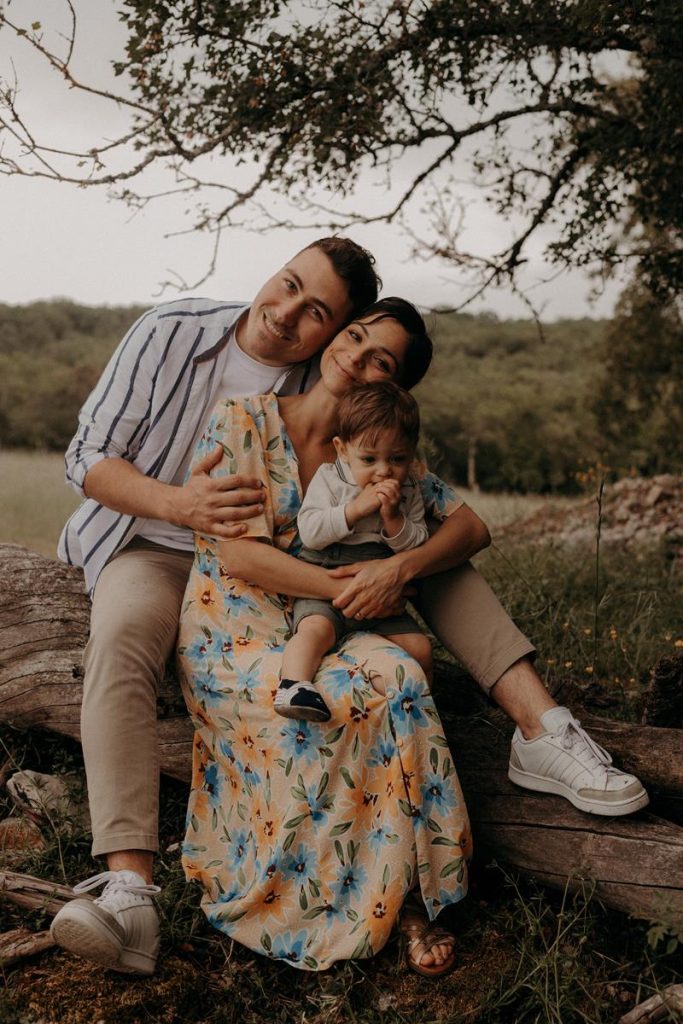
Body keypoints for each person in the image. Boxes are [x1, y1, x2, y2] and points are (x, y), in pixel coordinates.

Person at [49, 235, 647, 978]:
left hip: (301, 583)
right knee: (123, 640)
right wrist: (184, 503)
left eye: (322, 314)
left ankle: (539, 728)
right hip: (157, 538)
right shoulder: (182, 340)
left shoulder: (348, 414)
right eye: (290, 287)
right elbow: (90, 459)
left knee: (420, 556)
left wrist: (395, 565)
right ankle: (129, 884)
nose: (289, 314)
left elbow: (455, 519)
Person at [178, 297, 471, 972]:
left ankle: (412, 902)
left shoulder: (387, 452)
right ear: (335, 333)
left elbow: (468, 526)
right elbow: (240, 556)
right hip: (239, 627)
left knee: (399, 677)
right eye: (356, 335)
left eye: (382, 360)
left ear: (391, 385)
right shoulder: (244, 419)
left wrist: (397, 566)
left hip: (332, 623)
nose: (357, 357)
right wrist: (355, 586)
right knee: (323, 710)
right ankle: (325, 899)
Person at [276, 380, 433, 723]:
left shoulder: (408, 489)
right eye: (369, 458)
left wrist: (393, 519)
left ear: (412, 452)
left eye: (397, 458)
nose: (384, 470)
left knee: (420, 647)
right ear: (342, 449)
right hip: (327, 574)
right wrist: (355, 510)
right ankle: (294, 685)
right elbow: (312, 532)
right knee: (314, 630)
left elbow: (416, 544)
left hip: (382, 592)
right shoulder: (330, 479)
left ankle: (418, 713)